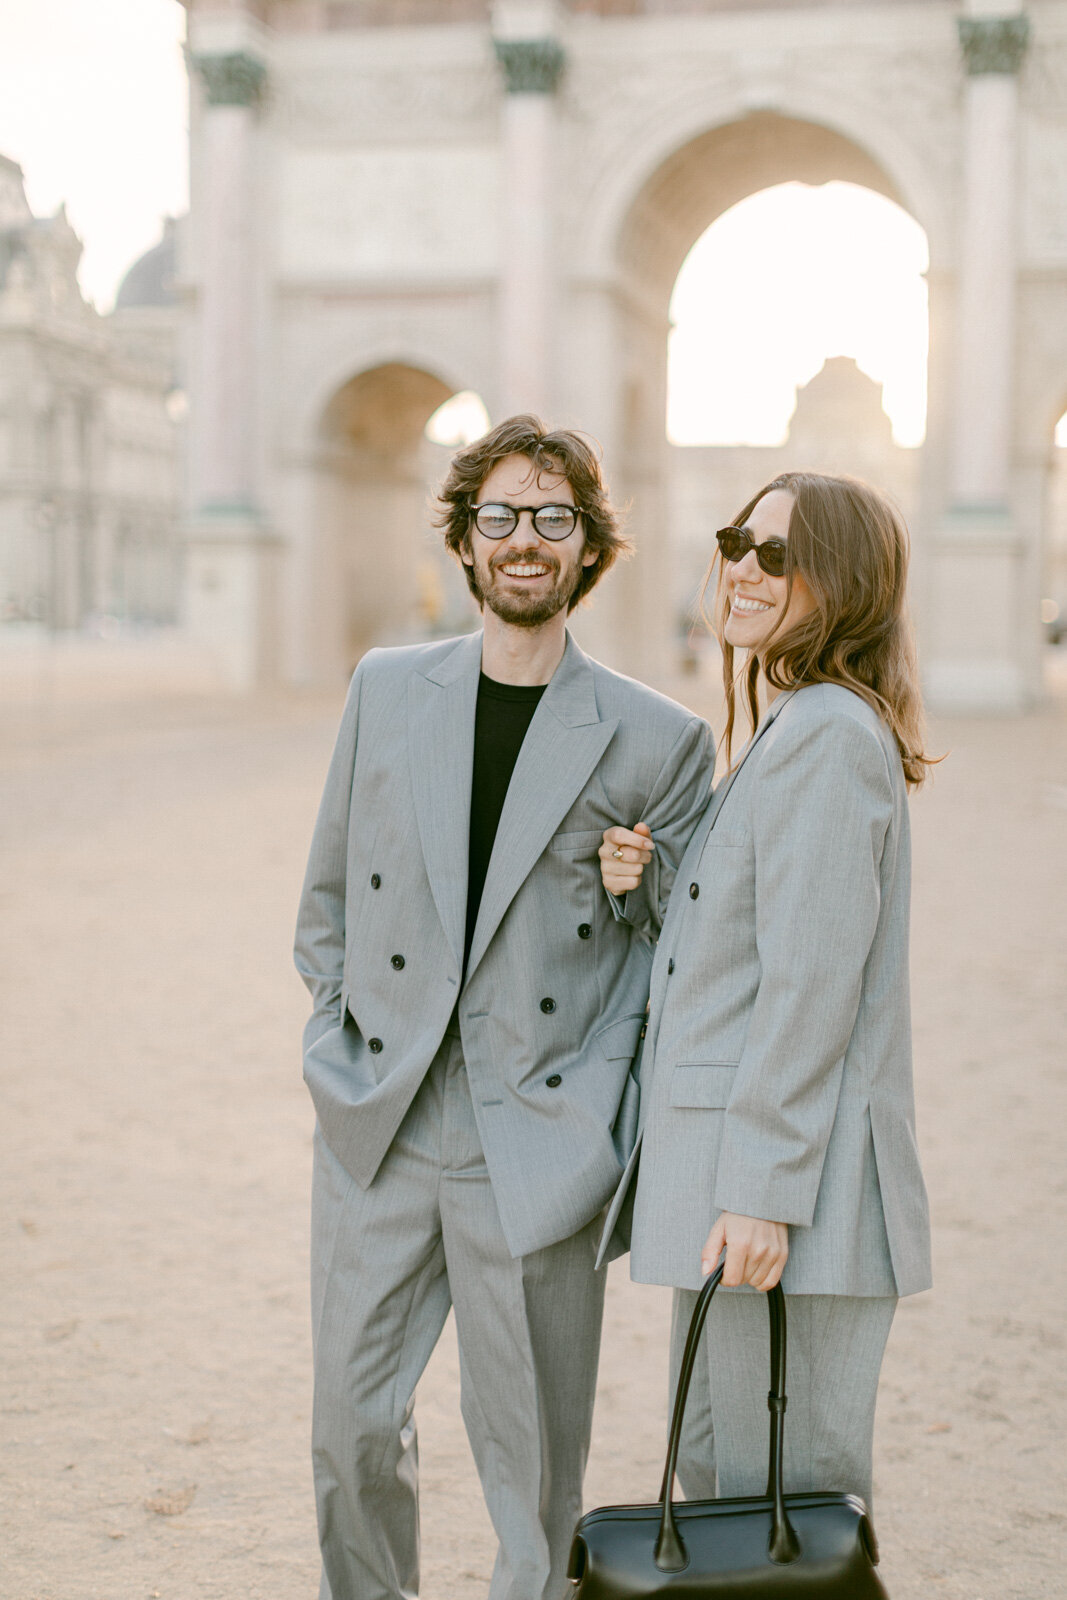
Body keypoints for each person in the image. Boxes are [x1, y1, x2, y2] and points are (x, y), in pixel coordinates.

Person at [294, 414, 712, 1600]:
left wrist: (647, 889)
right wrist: (339, 1046)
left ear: (586, 548)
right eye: (498, 517)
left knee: (531, 1479)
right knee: (347, 1436)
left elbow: (689, 953)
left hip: (533, 1141)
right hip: (380, 1120)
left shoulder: (659, 739)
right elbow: (323, 900)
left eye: (551, 518)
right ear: (465, 542)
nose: (522, 539)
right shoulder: (383, 690)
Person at [598, 471, 933, 1509]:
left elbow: (807, 990)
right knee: (728, 1493)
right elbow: (747, 950)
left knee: (777, 1510)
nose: (741, 565)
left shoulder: (826, 736)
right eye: (737, 539)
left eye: (775, 553)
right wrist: (650, 885)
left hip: (785, 1197)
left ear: (840, 584)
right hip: (759, 1190)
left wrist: (757, 1191)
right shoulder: (800, 724)